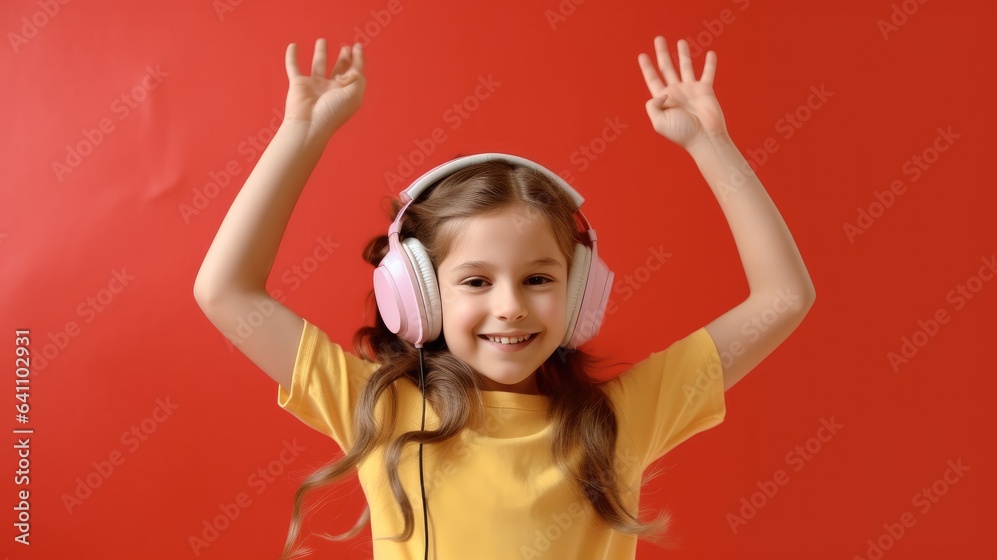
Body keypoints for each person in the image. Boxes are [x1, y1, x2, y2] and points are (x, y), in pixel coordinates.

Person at [193, 36, 816, 560]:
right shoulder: (378, 410)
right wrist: (301, 132)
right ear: (417, 295)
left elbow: (784, 297)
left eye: (539, 279)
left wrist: (712, 144)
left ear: (580, 296)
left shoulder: (620, 420)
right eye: (476, 281)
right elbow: (224, 291)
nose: (511, 305)